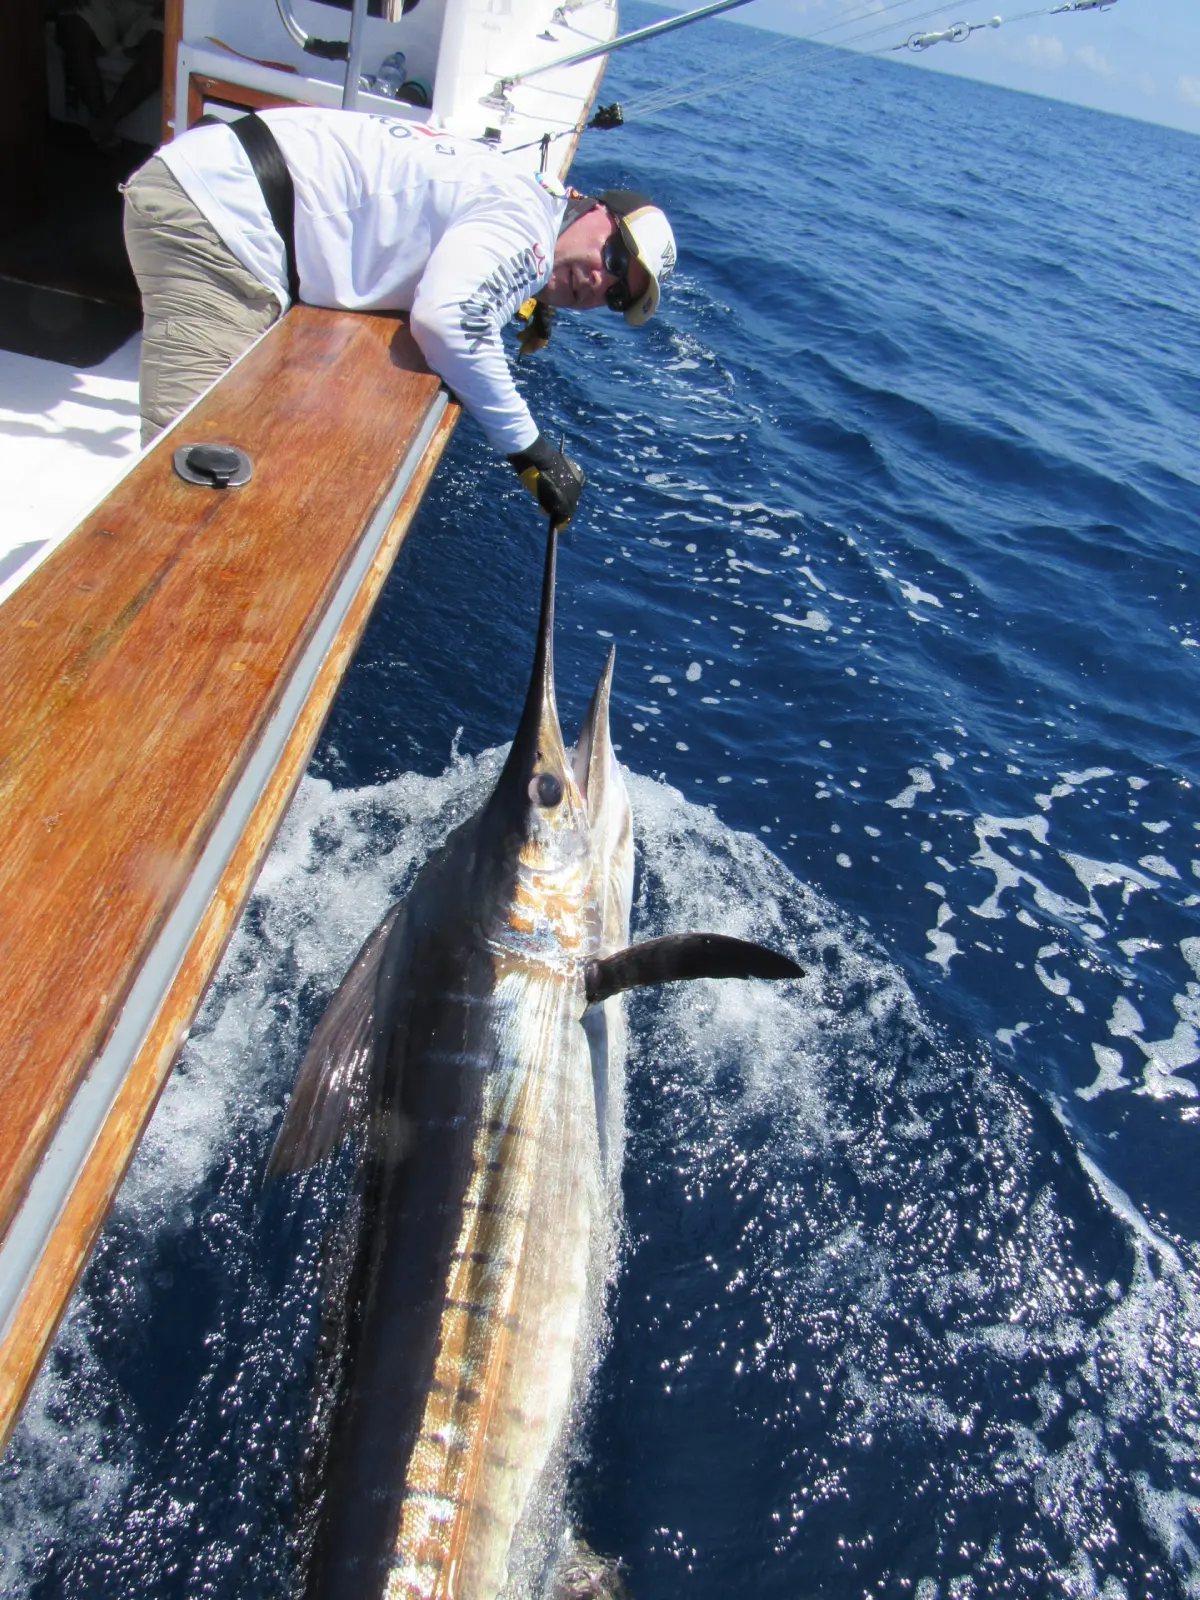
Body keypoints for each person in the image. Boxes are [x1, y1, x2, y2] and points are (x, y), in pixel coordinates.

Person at [122, 106, 677, 525]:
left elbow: (474, 264)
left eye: (617, 296)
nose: (601, 282)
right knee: (192, 485)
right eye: (615, 257)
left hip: (223, 180)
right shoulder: (527, 230)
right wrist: (532, 452)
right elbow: (447, 320)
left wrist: (525, 294)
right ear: (593, 207)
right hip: (219, 221)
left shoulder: (529, 193)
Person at [55, 0, 164, 152]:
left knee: (162, 47)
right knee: (71, 27)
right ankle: (98, 117)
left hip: (153, 7)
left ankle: (104, 125)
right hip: (103, 3)